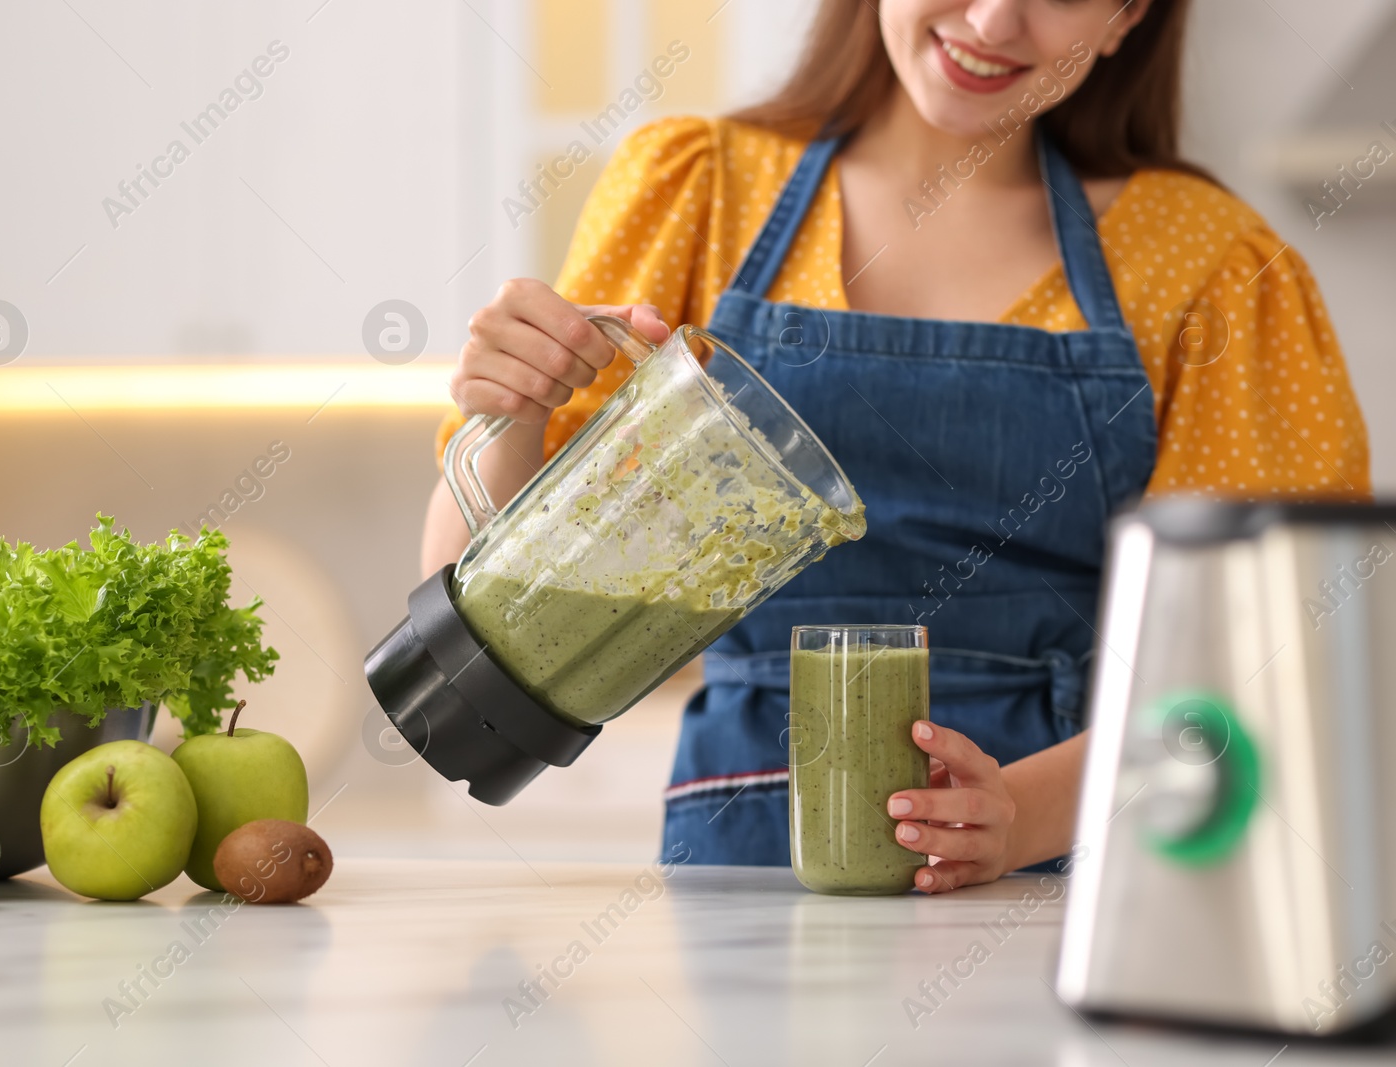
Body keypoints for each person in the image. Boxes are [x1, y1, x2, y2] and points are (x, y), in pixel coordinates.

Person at [421, 0, 1370, 891]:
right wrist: (512, 414)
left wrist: (1020, 816)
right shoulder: (702, 190)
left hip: (1065, 886)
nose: (995, 19)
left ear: (1126, 18)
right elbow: (482, 646)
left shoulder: (1211, 263)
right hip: (740, 879)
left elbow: (1264, 657)